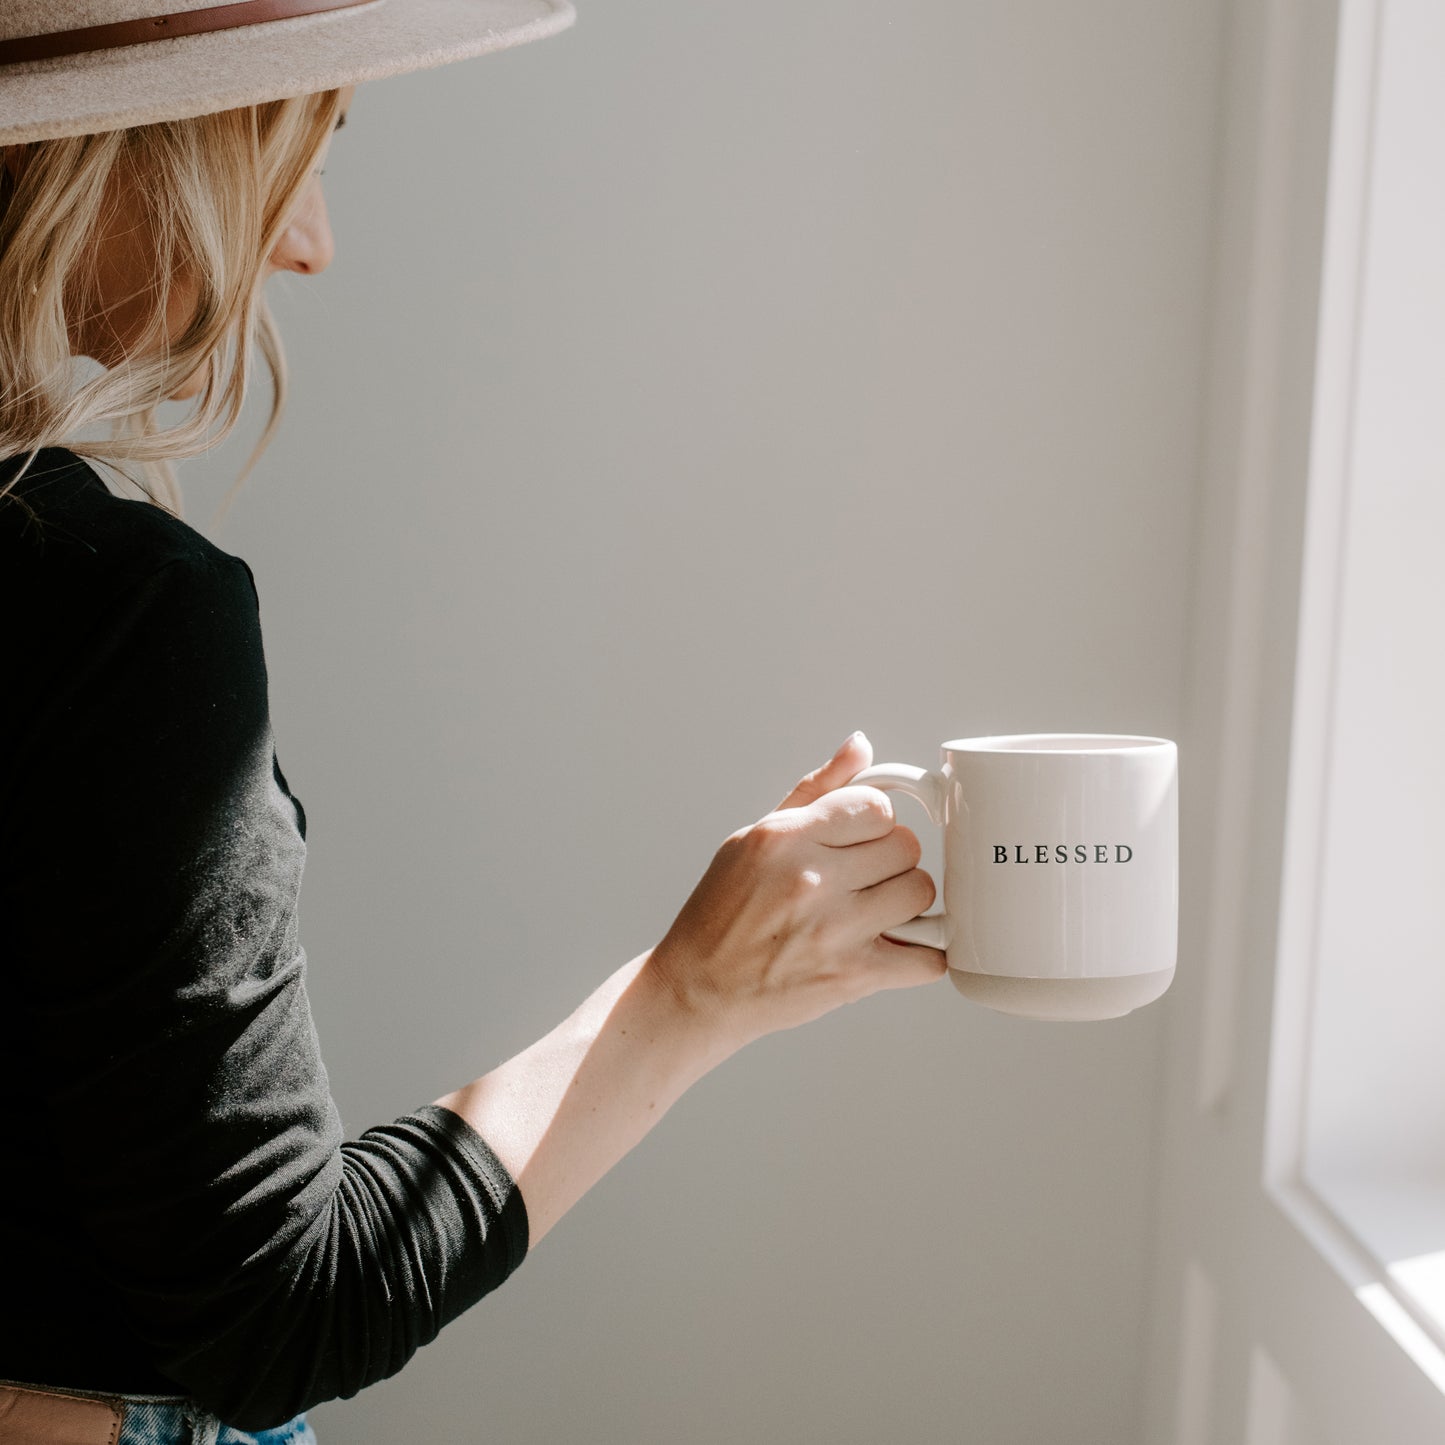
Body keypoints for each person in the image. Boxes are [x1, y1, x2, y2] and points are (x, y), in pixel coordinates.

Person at [0, 5, 946, 1443]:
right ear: (117, 152)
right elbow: (279, 1310)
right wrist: (688, 994)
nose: (307, 239)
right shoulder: (110, 615)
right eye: (296, 146)